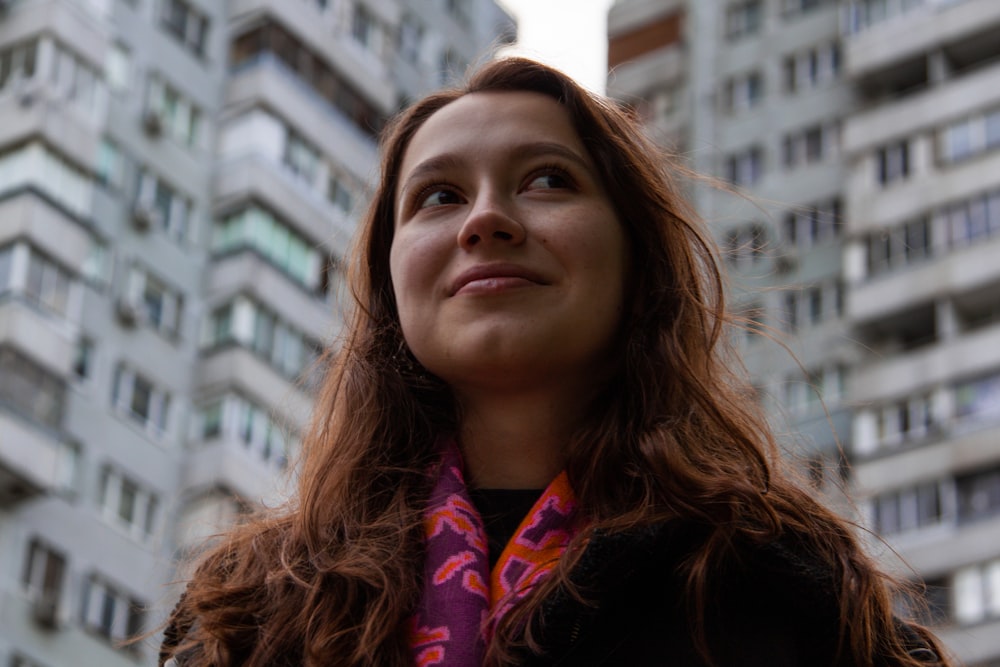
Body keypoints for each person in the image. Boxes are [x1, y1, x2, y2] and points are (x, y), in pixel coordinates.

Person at [159, 57, 950, 666]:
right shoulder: (251, 615)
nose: (487, 220)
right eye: (438, 196)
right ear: (387, 279)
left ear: (638, 264)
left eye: (546, 180)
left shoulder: (779, 590)